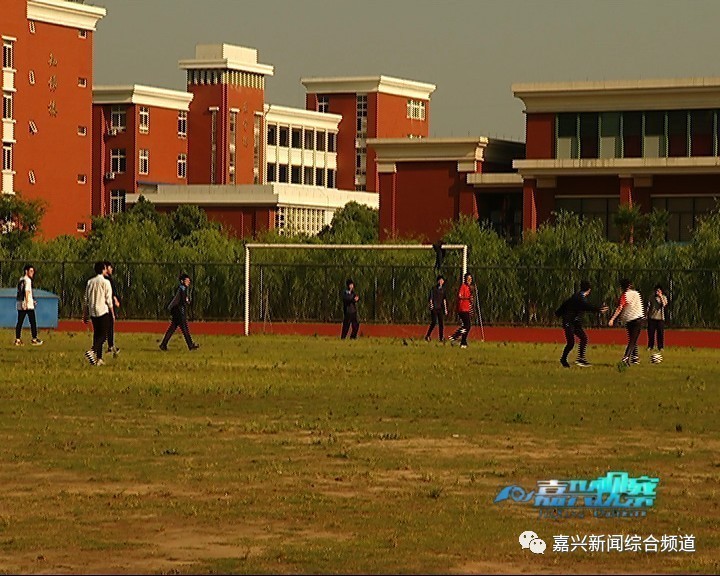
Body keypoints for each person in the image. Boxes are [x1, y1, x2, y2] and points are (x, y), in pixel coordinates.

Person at [555, 280, 608, 368]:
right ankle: (563, 359)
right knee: (571, 343)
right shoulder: (579, 298)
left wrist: (558, 313)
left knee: (583, 338)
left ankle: (581, 358)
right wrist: (598, 309)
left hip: (574, 322)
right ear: (589, 290)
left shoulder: (577, 296)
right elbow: (586, 306)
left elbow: (565, 304)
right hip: (569, 321)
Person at [82, 261, 114, 366]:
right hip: (102, 310)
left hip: (93, 311)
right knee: (104, 335)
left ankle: (99, 358)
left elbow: (86, 299)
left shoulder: (90, 282)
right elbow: (108, 300)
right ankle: (92, 351)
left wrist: (85, 313)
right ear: (103, 269)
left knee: (97, 334)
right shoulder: (106, 282)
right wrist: (112, 313)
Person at [608, 278, 645, 366]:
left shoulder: (624, 296)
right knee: (633, 340)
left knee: (632, 339)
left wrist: (612, 319)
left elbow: (620, 308)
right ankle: (626, 357)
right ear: (630, 285)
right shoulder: (636, 294)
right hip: (638, 319)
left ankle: (634, 357)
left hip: (629, 320)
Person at [160, 273, 199, 351]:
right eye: (187, 280)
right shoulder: (182, 289)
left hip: (176, 311)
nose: (189, 282)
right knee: (185, 329)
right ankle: (190, 345)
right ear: (182, 281)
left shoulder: (181, 289)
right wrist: (186, 300)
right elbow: (179, 300)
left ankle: (163, 344)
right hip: (179, 312)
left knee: (172, 328)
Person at [15, 264, 43, 346]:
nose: (32, 273)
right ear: (26, 271)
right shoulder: (28, 280)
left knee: (19, 322)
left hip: (20, 303)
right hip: (27, 305)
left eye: (33, 271)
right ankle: (34, 339)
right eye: (31, 271)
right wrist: (27, 303)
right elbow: (26, 292)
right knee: (32, 322)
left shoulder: (21, 279)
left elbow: (21, 292)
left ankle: (17, 339)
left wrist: (31, 300)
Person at [449, 273, 473, 349]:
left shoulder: (469, 288)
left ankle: (462, 341)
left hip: (467, 308)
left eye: (470, 279)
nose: (469, 280)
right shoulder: (463, 287)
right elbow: (460, 296)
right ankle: (456, 337)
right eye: (468, 279)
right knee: (467, 326)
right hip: (462, 309)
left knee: (466, 326)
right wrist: (467, 298)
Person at [104, 261, 121, 357]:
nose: (111, 269)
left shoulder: (108, 279)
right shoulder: (106, 280)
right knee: (108, 326)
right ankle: (110, 346)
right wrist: (115, 300)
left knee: (109, 326)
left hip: (106, 305)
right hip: (107, 305)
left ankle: (111, 346)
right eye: (110, 267)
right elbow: (110, 293)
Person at [646, 283, 669, 355]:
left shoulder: (664, 297)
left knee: (660, 334)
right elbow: (648, 307)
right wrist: (646, 315)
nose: (657, 292)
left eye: (658, 290)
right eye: (656, 290)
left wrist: (661, 297)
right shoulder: (652, 298)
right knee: (651, 333)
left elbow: (664, 304)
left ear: (661, 291)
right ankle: (650, 346)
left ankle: (660, 347)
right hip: (652, 318)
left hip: (660, 318)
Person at [424, 275, 448, 342]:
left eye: (442, 280)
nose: (441, 282)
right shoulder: (434, 289)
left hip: (440, 308)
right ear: (437, 281)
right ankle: (428, 335)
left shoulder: (443, 290)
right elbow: (431, 298)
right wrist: (431, 305)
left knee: (441, 323)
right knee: (434, 322)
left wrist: (445, 309)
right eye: (440, 280)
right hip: (434, 307)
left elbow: (444, 300)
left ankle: (441, 337)